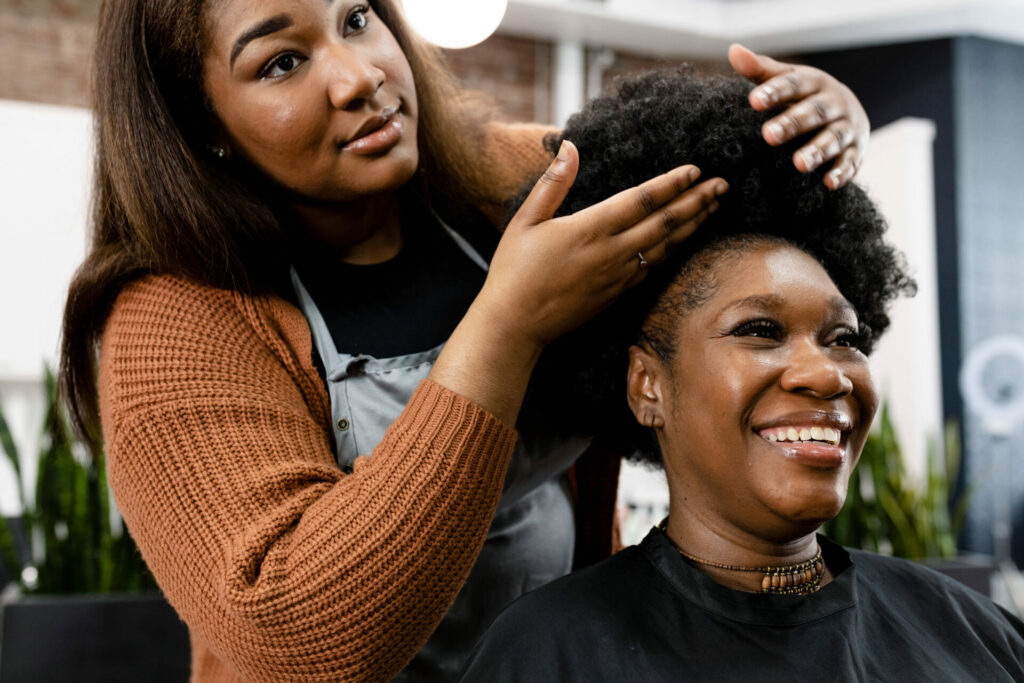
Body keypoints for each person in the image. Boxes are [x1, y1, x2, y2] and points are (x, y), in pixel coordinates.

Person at [60, 1, 875, 680]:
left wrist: (823, 128)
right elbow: (292, 637)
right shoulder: (171, 319)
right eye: (280, 62)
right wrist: (507, 324)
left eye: (356, 18)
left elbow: (738, 220)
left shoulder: (508, 183)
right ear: (205, 125)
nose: (359, 76)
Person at [460, 67, 1024, 681]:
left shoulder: (974, 632)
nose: (826, 375)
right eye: (760, 331)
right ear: (647, 385)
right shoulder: (546, 655)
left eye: (844, 339)